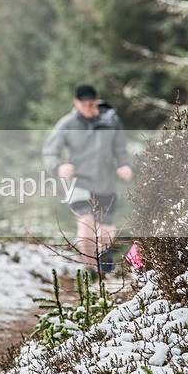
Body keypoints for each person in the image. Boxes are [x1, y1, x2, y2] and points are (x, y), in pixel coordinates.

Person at [42, 84, 133, 279]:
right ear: (76, 103)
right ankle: (91, 270)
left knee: (105, 229)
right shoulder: (67, 124)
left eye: (92, 104)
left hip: (105, 182)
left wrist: (125, 165)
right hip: (78, 183)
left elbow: (121, 148)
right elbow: (50, 152)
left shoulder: (111, 121)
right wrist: (59, 167)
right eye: (84, 105)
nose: (89, 109)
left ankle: (103, 257)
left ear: (97, 100)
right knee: (85, 221)